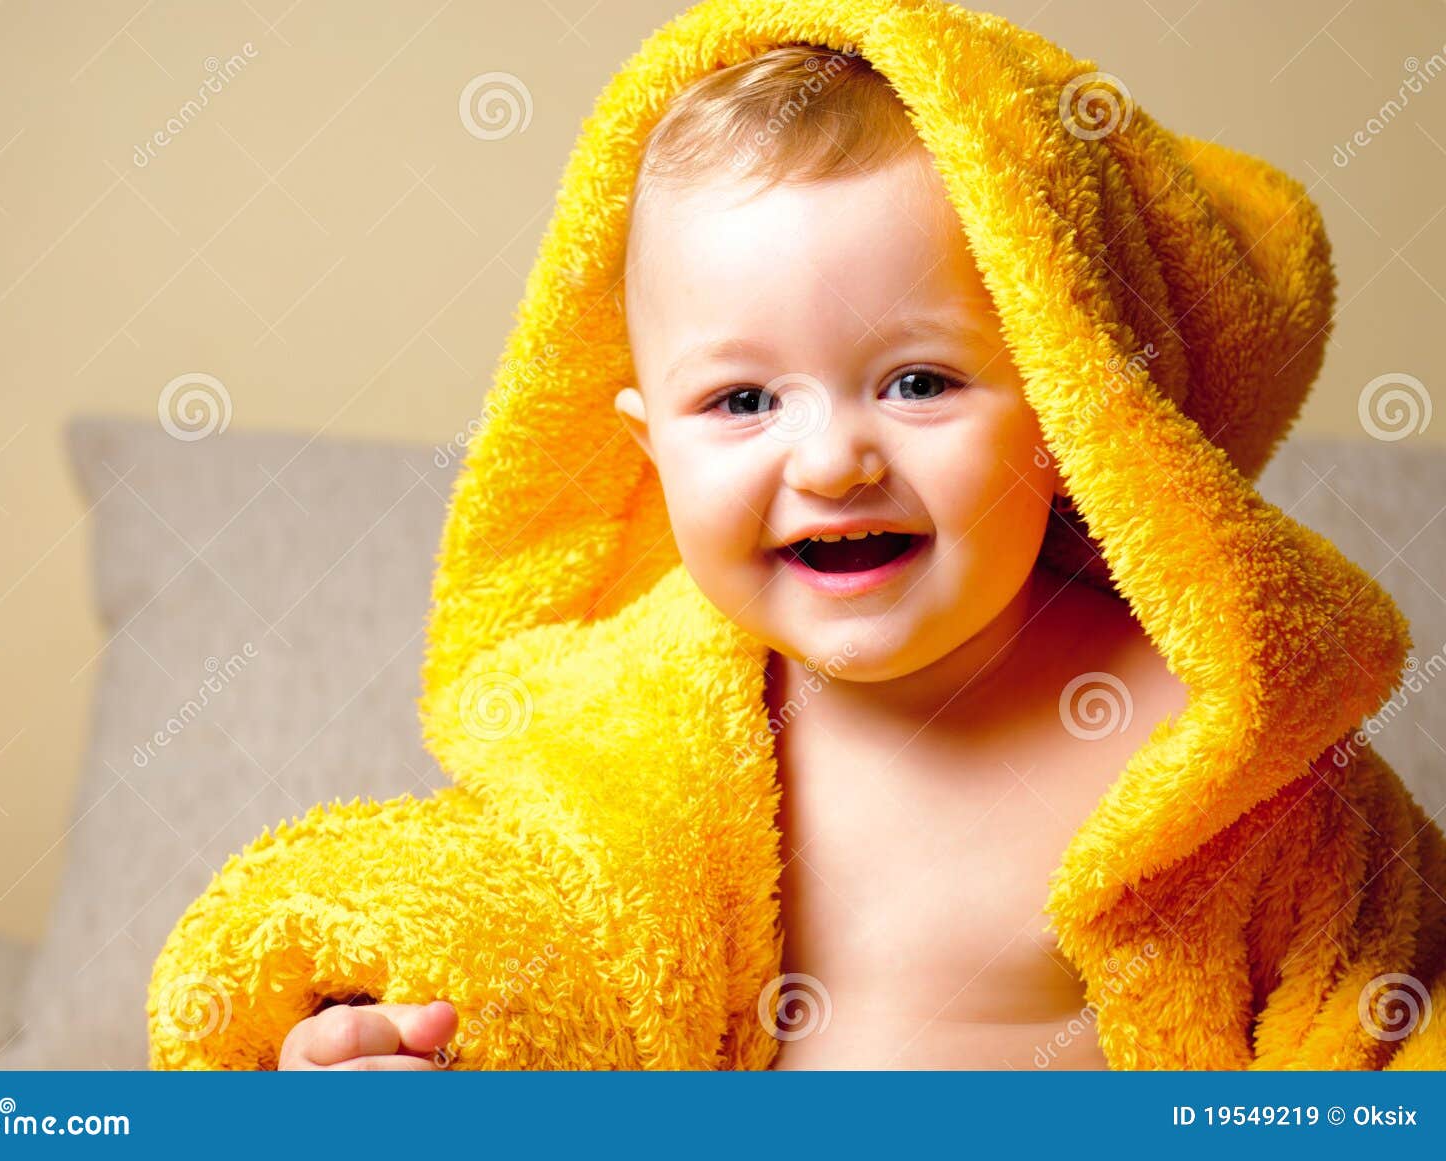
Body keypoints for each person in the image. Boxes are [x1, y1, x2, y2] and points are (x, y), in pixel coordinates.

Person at [154, 2, 1446, 1072]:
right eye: (742, 400)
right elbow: (506, 918)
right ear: (653, 455)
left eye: (920, 382)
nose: (832, 458)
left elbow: (1384, 1003)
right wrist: (384, 1020)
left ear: (1066, 417)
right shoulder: (640, 735)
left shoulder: (1212, 750)